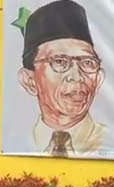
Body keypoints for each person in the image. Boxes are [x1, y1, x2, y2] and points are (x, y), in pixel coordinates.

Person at [17, 0, 107, 157]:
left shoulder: (110, 141)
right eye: (59, 61)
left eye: (87, 63)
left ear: (98, 79)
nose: (77, 77)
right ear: (30, 81)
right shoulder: (19, 140)